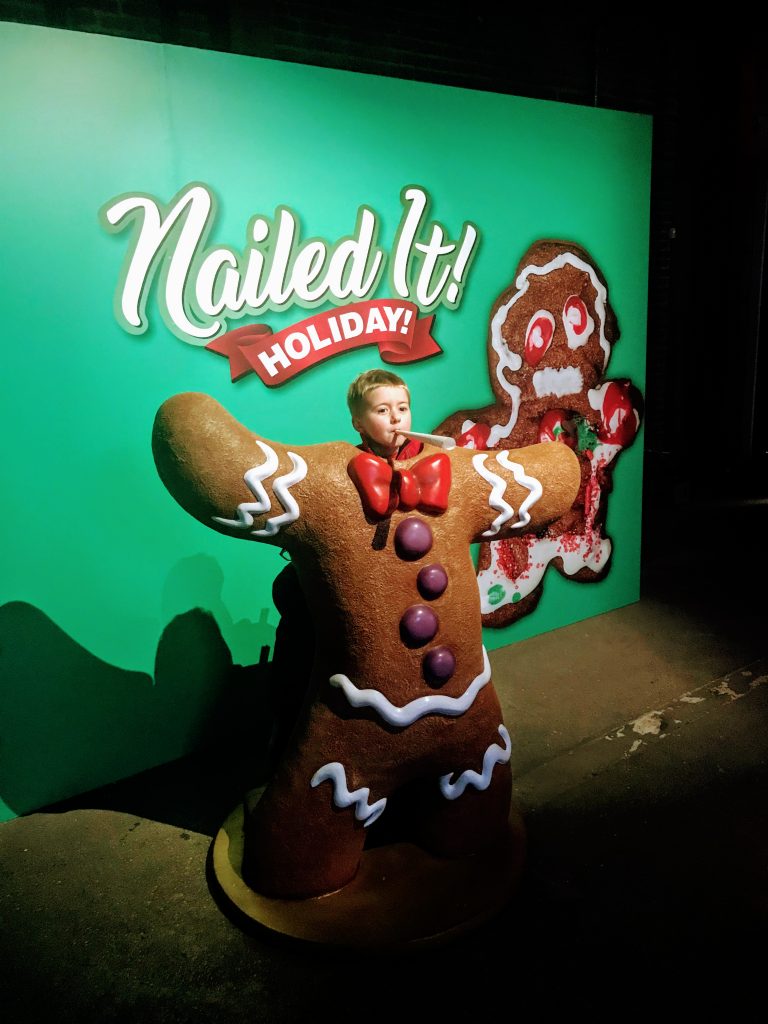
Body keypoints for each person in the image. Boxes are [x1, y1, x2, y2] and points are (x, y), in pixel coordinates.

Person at [268, 369, 420, 762]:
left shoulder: (429, 465)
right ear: (358, 422)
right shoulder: (342, 469)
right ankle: (289, 747)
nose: (395, 418)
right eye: (382, 409)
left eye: (402, 408)